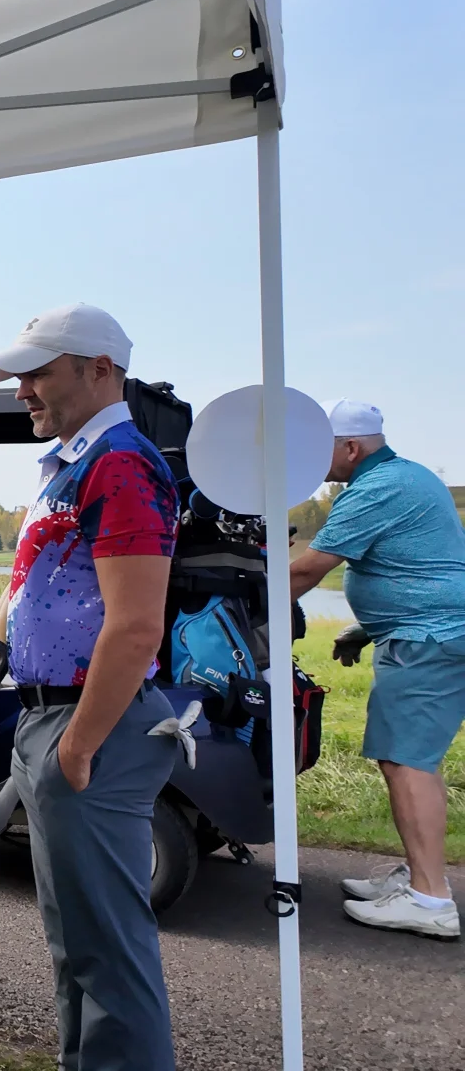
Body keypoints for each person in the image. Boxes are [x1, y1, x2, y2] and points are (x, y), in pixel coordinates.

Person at [0, 303, 180, 1071]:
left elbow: (134, 628)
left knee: (108, 953)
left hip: (87, 723)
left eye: (38, 372)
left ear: (99, 370)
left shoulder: (119, 462)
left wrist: (78, 746)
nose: (22, 390)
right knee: (77, 944)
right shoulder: (72, 461)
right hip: (52, 720)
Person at [290, 399, 464, 939]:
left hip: (425, 642)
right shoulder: (404, 476)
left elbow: (310, 568)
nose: (314, 462)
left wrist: (247, 607)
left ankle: (430, 899)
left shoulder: (375, 489)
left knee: (405, 762)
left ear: (349, 447)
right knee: (412, 759)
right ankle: (419, 876)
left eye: (321, 450)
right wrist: (362, 629)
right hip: (425, 634)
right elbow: (419, 564)